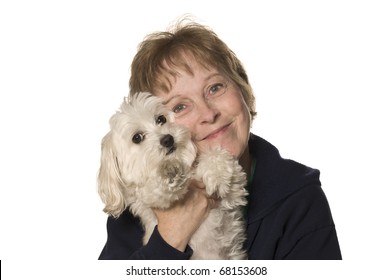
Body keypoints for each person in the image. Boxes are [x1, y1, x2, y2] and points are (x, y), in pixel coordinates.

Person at [98, 18, 342, 260]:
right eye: (181, 106)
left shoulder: (299, 199)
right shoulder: (130, 214)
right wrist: (170, 238)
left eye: (215, 88)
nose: (208, 113)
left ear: (242, 87)